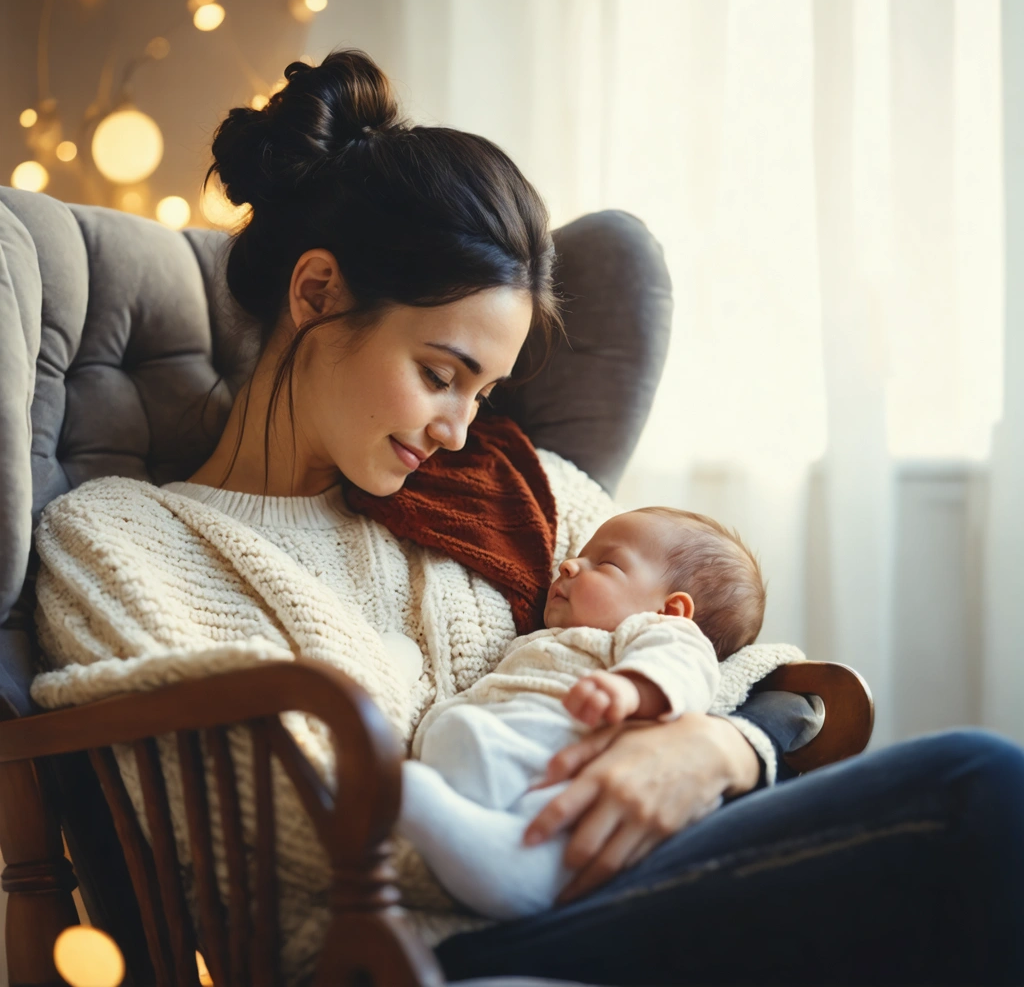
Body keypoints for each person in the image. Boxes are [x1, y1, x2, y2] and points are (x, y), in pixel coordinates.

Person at [30, 48, 1024, 986]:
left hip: (617, 886)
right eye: (439, 374)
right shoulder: (120, 541)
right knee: (977, 792)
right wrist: (599, 808)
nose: (461, 430)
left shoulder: (516, 491)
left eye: (482, 391)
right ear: (319, 292)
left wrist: (715, 751)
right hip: (411, 947)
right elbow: (294, 845)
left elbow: (747, 658)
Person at [400, 506, 802, 920]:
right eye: (580, 555)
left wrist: (633, 688)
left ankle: (515, 870)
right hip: (504, 742)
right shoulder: (556, 636)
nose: (569, 564)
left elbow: (686, 666)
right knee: (460, 734)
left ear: (670, 610)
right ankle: (472, 835)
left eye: (605, 563)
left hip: (566, 751)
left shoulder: (660, 634)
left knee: (530, 793)